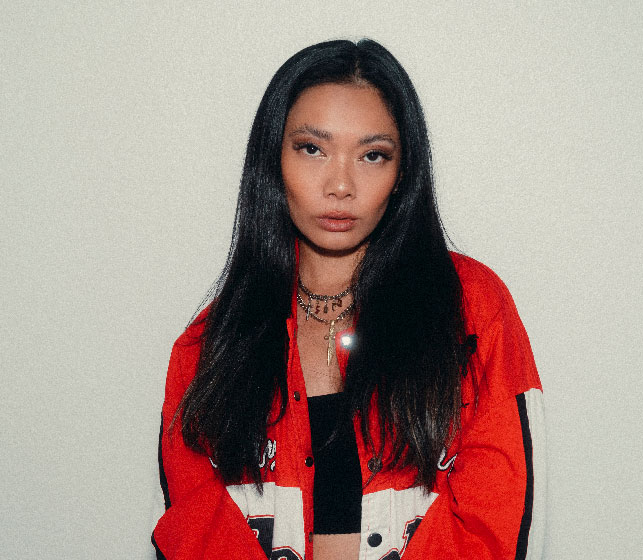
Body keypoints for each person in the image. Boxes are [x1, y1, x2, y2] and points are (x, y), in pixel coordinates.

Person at [152, 39, 545, 560]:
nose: (340, 185)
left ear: (402, 173)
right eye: (312, 149)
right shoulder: (209, 349)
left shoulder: (471, 310)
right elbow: (195, 535)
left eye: (372, 155)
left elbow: (497, 527)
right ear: (272, 160)